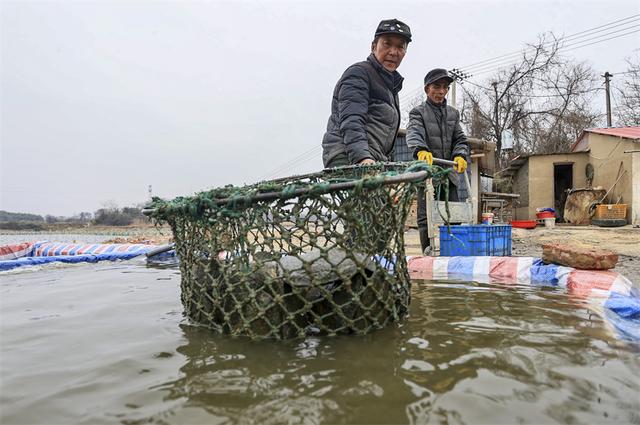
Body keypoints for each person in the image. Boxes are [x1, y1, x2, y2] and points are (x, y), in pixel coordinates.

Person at [322, 19, 411, 168]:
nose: (393, 52)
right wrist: (362, 158)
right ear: (373, 46)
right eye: (387, 44)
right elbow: (352, 119)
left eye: (400, 47)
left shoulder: (391, 88)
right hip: (348, 157)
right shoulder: (359, 74)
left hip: (374, 160)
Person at [406, 68, 469, 254]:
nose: (441, 91)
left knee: (454, 215)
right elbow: (414, 132)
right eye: (436, 87)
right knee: (426, 217)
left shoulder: (453, 114)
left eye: (445, 87)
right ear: (427, 89)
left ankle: (454, 252)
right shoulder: (418, 113)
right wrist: (421, 150)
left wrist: (460, 154)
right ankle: (428, 251)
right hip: (427, 174)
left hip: (449, 175)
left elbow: (460, 139)